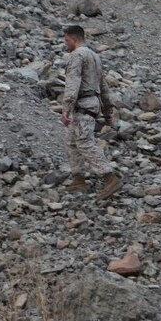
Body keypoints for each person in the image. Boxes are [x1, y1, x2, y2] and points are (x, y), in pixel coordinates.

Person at [60, 25, 122, 200]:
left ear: (73, 39)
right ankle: (78, 178)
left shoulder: (77, 55)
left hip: (82, 104)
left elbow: (72, 83)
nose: (65, 43)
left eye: (66, 40)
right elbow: (103, 86)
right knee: (71, 141)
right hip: (92, 103)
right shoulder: (94, 56)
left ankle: (109, 177)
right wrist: (107, 111)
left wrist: (66, 108)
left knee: (84, 142)